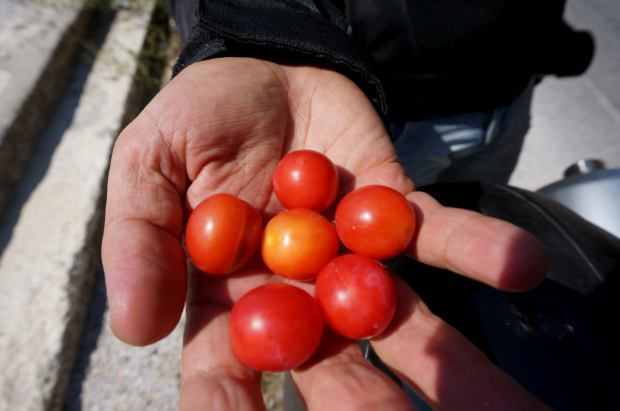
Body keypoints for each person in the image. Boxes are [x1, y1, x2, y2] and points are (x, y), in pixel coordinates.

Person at [101, 0, 593, 409]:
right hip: (376, 103)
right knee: (417, 270)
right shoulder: (295, 219)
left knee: (459, 246)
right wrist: (253, 31)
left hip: (509, 85)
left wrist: (550, 42)